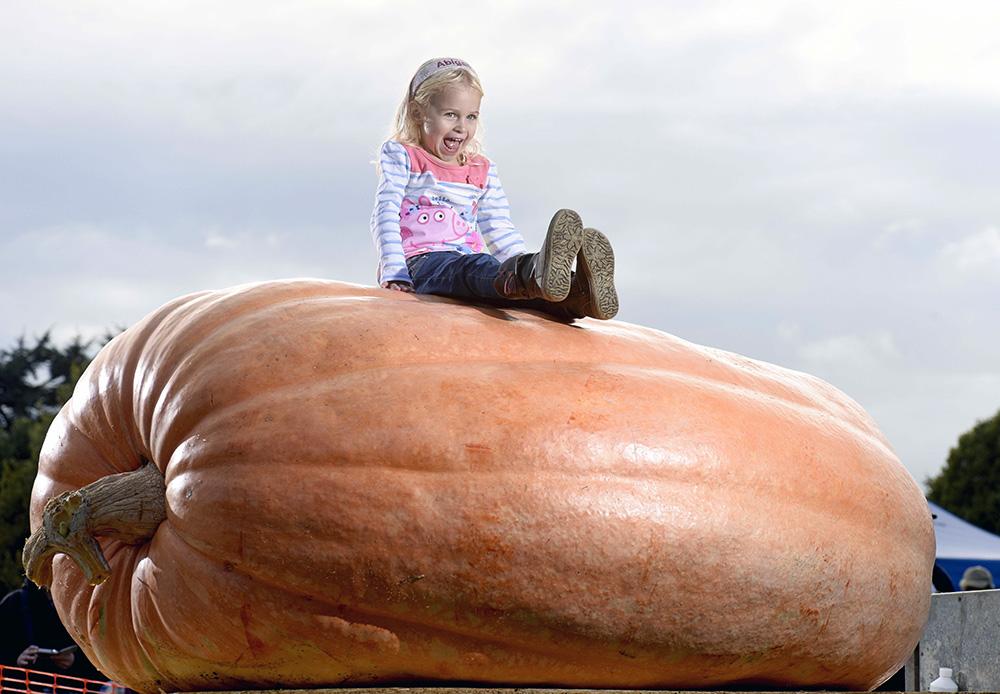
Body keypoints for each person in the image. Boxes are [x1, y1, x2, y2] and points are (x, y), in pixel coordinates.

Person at [370, 57, 618, 321]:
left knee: (510, 288)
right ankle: (533, 274)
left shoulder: (482, 169)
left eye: (471, 116)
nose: (461, 127)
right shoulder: (404, 156)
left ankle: (578, 297)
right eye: (450, 114)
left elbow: (498, 226)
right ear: (419, 112)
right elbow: (385, 213)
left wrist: (522, 260)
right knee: (475, 270)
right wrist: (394, 270)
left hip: (469, 263)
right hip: (420, 263)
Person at [0, 579, 103, 684]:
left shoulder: (81, 607)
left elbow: (102, 666)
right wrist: (16, 662)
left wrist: (74, 662)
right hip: (23, 686)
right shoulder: (14, 603)